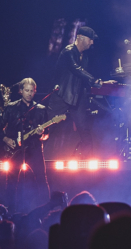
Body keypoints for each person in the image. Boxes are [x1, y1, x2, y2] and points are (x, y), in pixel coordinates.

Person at [50, 26, 117, 155]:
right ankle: (35, 158)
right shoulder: (68, 51)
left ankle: (87, 164)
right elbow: (76, 69)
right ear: (80, 37)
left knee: (85, 131)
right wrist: (94, 80)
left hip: (77, 98)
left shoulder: (85, 57)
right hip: (62, 96)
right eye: (90, 39)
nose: (92, 43)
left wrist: (102, 83)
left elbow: (84, 78)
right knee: (48, 128)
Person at [0, 77, 54, 212]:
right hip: (15, 150)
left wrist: (42, 132)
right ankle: (10, 211)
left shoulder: (41, 109)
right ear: (21, 91)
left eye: (31, 91)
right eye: (26, 90)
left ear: (35, 92)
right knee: (11, 181)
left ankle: (46, 210)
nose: (29, 93)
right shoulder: (11, 108)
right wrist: (6, 140)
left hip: (34, 149)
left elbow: (47, 135)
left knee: (42, 180)